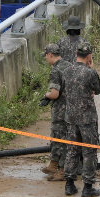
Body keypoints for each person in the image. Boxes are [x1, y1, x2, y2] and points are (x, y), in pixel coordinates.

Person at [63, 42, 100, 197]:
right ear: (89, 56)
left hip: (71, 117)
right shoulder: (89, 72)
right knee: (89, 151)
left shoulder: (66, 71)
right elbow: (99, 89)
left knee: (72, 150)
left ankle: (69, 184)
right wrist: (91, 68)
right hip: (87, 118)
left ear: (76, 52)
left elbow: (64, 90)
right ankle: (87, 186)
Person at [41, 43, 73, 181]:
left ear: (50, 54)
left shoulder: (56, 70)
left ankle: (62, 170)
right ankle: (54, 164)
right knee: (64, 137)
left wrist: (46, 96)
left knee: (60, 138)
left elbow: (54, 94)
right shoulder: (70, 65)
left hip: (60, 110)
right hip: (72, 108)